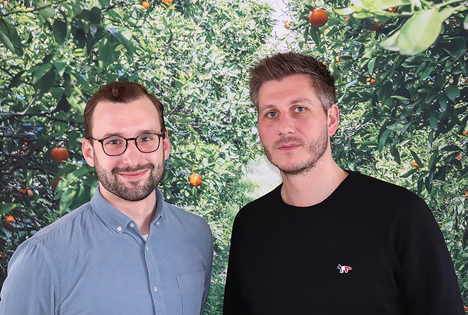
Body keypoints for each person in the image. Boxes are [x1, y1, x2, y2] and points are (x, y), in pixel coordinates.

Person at [223, 52, 465, 314]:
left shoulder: (400, 215)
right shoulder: (250, 224)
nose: (285, 128)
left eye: (299, 109)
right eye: (271, 114)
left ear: (331, 119)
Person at [0, 82, 213, 315]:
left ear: (165, 144)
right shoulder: (41, 259)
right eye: (113, 141)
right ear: (89, 152)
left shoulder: (196, 234)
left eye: (145, 138)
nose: (132, 159)